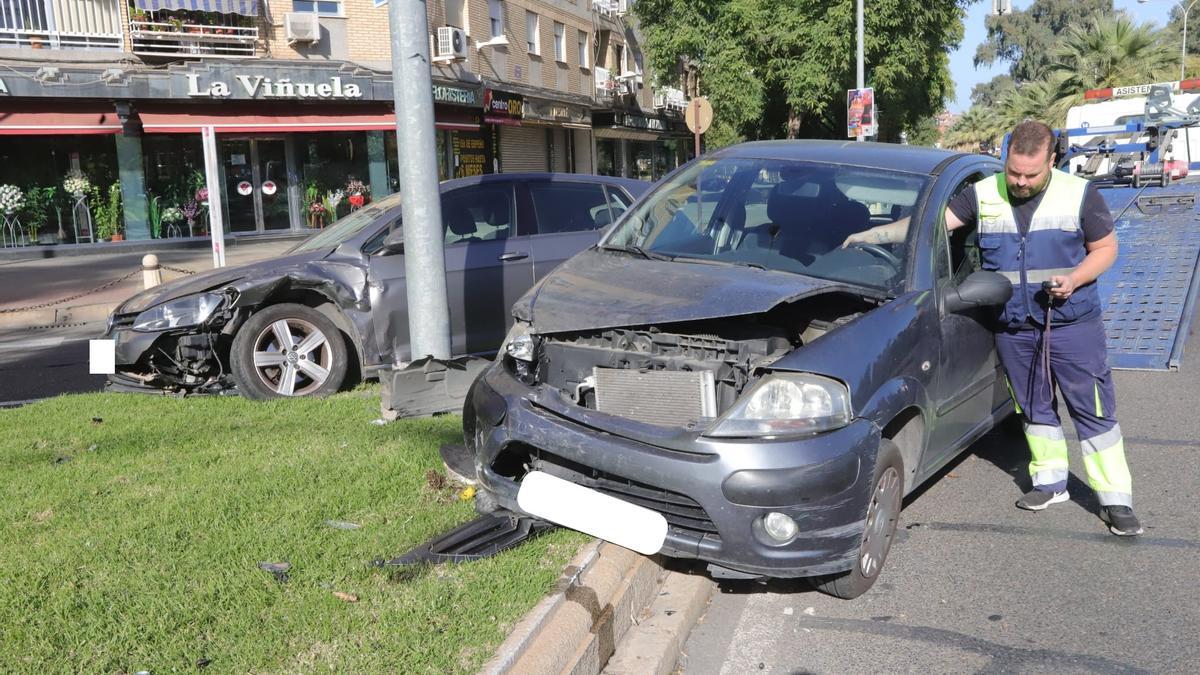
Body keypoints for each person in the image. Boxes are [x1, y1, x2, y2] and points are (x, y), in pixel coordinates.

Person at [844, 120, 1142, 536]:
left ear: (1051, 161)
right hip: (1014, 324)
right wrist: (869, 234)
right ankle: (1050, 481)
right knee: (1033, 405)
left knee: (1092, 409)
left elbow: (1106, 248)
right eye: (1013, 172)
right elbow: (927, 227)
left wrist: (1074, 279)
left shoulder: (1079, 195)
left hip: (1071, 322)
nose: (1019, 181)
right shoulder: (983, 193)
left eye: (1030, 174)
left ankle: (1115, 499)